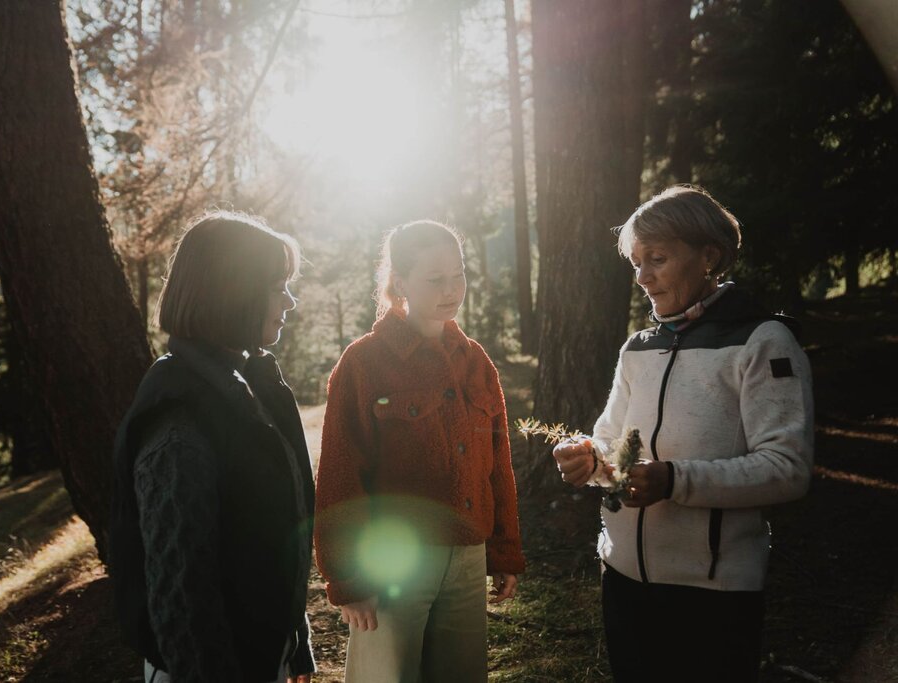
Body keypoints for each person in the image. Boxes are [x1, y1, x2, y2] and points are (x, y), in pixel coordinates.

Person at [552, 185, 814, 682]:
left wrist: (675, 480)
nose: (642, 277)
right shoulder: (638, 348)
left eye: (658, 259)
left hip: (713, 591)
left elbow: (789, 469)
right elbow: (609, 441)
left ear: (708, 256)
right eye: (635, 262)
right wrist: (588, 461)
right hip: (624, 578)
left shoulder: (763, 341)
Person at [314, 219, 526, 683]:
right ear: (400, 282)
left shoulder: (477, 361)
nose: (451, 289)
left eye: (459, 274)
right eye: (435, 279)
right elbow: (339, 476)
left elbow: (497, 465)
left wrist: (505, 550)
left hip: (469, 557)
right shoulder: (363, 362)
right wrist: (348, 580)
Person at [109, 212, 316, 683]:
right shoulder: (179, 424)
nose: (290, 300)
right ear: (234, 290)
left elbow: (267, 541)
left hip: (264, 658)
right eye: (277, 286)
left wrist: (294, 643)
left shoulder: (245, 385)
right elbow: (182, 601)